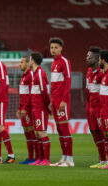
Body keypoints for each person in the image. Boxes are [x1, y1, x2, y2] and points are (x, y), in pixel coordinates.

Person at [49, 37, 74, 167]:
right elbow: (54, 85)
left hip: (62, 101)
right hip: (54, 101)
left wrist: (63, 100)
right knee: (59, 129)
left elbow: (68, 81)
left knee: (64, 129)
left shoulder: (64, 62)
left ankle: (70, 160)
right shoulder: (53, 63)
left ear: (61, 49)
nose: (53, 50)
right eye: (52, 47)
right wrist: (51, 100)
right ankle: (63, 158)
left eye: (56, 48)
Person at [86, 47, 108, 168]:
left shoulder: (102, 72)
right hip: (92, 109)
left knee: (105, 133)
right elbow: (89, 93)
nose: (87, 59)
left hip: (100, 109)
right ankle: (103, 161)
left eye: (89, 57)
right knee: (96, 133)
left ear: (96, 59)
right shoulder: (90, 72)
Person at [27, 52, 52, 166]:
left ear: (33, 61)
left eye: (29, 59)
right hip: (35, 107)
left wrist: (48, 106)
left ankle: (46, 160)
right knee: (37, 133)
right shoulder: (35, 73)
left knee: (41, 132)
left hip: (40, 107)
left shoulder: (40, 73)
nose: (28, 62)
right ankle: (40, 159)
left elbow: (44, 92)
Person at [17, 56, 38, 165]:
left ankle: (36, 157)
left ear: (27, 63)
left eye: (22, 62)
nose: (19, 64)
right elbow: (23, 95)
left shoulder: (30, 75)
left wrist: (25, 108)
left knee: (32, 133)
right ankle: (30, 157)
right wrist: (20, 108)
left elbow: (31, 94)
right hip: (24, 109)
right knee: (27, 133)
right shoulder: (23, 76)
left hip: (29, 109)